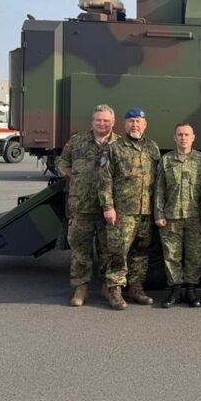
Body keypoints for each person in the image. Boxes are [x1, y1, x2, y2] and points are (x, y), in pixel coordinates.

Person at [98, 108, 161, 310]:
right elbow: (105, 180)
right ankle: (115, 289)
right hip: (122, 211)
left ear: (145, 124)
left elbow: (159, 180)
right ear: (125, 125)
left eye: (138, 121)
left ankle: (136, 287)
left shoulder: (152, 148)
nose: (135, 125)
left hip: (146, 211)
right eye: (131, 121)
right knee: (118, 251)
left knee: (141, 252)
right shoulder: (114, 148)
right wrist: (108, 207)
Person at [58, 104, 119, 307]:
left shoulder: (119, 145)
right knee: (80, 250)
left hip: (108, 208)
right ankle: (81, 288)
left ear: (113, 122)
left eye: (106, 121)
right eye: (98, 120)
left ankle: (108, 287)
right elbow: (63, 163)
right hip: (81, 206)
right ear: (92, 122)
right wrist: (75, 178)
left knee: (108, 250)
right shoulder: (77, 141)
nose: (102, 124)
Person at [155, 123, 201, 308]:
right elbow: (159, 189)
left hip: (195, 216)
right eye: (180, 135)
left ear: (193, 137)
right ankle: (175, 291)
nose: (183, 138)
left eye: (187, 134)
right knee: (172, 255)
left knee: (194, 255)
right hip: (171, 216)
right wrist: (159, 214)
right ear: (175, 138)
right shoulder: (166, 160)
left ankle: (191, 291)